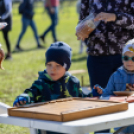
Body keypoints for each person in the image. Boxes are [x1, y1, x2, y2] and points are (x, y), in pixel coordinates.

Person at [13, 41, 84, 134]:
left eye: (58, 65)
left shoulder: (73, 82)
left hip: (70, 129)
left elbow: (83, 100)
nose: (52, 69)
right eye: (49, 64)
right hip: (47, 129)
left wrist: (94, 94)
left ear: (66, 67)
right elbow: (31, 92)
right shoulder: (41, 83)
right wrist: (24, 97)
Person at [76, 0, 134, 97]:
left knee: (128, 103)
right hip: (97, 60)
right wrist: (82, 31)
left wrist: (115, 17)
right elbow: (82, 20)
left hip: (126, 59)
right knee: (101, 104)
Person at [94, 39, 134, 133]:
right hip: (120, 117)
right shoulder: (116, 75)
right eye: (126, 58)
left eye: (133, 58)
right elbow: (107, 94)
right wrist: (101, 91)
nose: (129, 61)